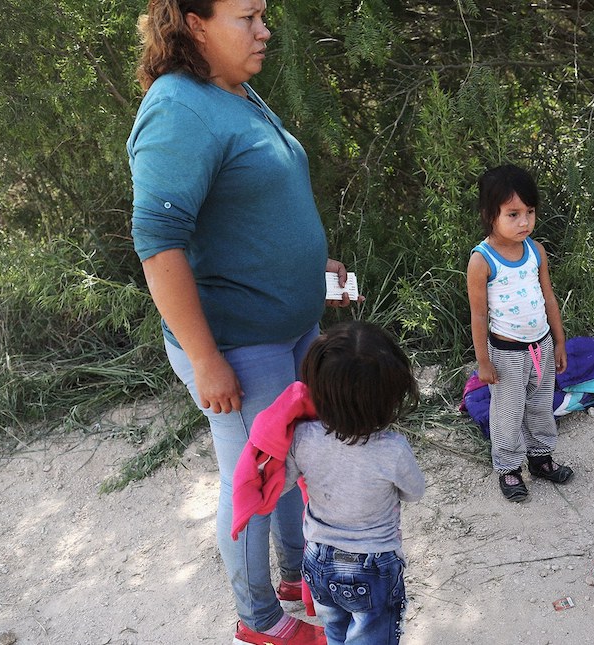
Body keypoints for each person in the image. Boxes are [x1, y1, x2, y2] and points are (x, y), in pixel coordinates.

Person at [128, 1, 351, 643]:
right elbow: (157, 241)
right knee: (252, 479)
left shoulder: (234, 90)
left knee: (286, 461)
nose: (264, 28)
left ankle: (290, 576)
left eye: (264, 13)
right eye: (247, 16)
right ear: (195, 25)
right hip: (237, 341)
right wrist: (205, 359)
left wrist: (314, 264)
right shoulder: (178, 109)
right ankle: (260, 622)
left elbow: (255, 206)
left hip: (288, 326)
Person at [282, 321, 426, 645]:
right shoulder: (393, 449)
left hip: (319, 558)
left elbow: (284, 484)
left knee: (336, 631)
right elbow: (415, 492)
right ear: (388, 397)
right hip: (374, 565)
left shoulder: (303, 437)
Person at [467, 164, 572, 502]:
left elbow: (548, 297)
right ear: (489, 214)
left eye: (530, 212)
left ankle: (540, 458)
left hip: (540, 346)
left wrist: (558, 341)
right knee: (507, 413)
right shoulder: (482, 261)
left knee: (541, 406)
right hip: (506, 354)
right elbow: (479, 315)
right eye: (513, 214)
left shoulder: (535, 251)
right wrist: (484, 361)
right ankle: (509, 468)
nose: (524, 221)